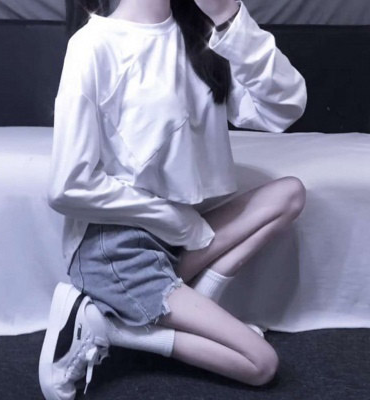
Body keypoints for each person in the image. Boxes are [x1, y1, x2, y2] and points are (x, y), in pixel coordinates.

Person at [38, 0, 307, 399]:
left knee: (289, 194)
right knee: (261, 364)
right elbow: (67, 185)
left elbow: (283, 109)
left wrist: (229, 17)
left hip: (174, 239)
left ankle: (167, 314)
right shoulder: (94, 44)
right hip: (118, 249)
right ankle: (107, 325)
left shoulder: (201, 36)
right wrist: (173, 219)